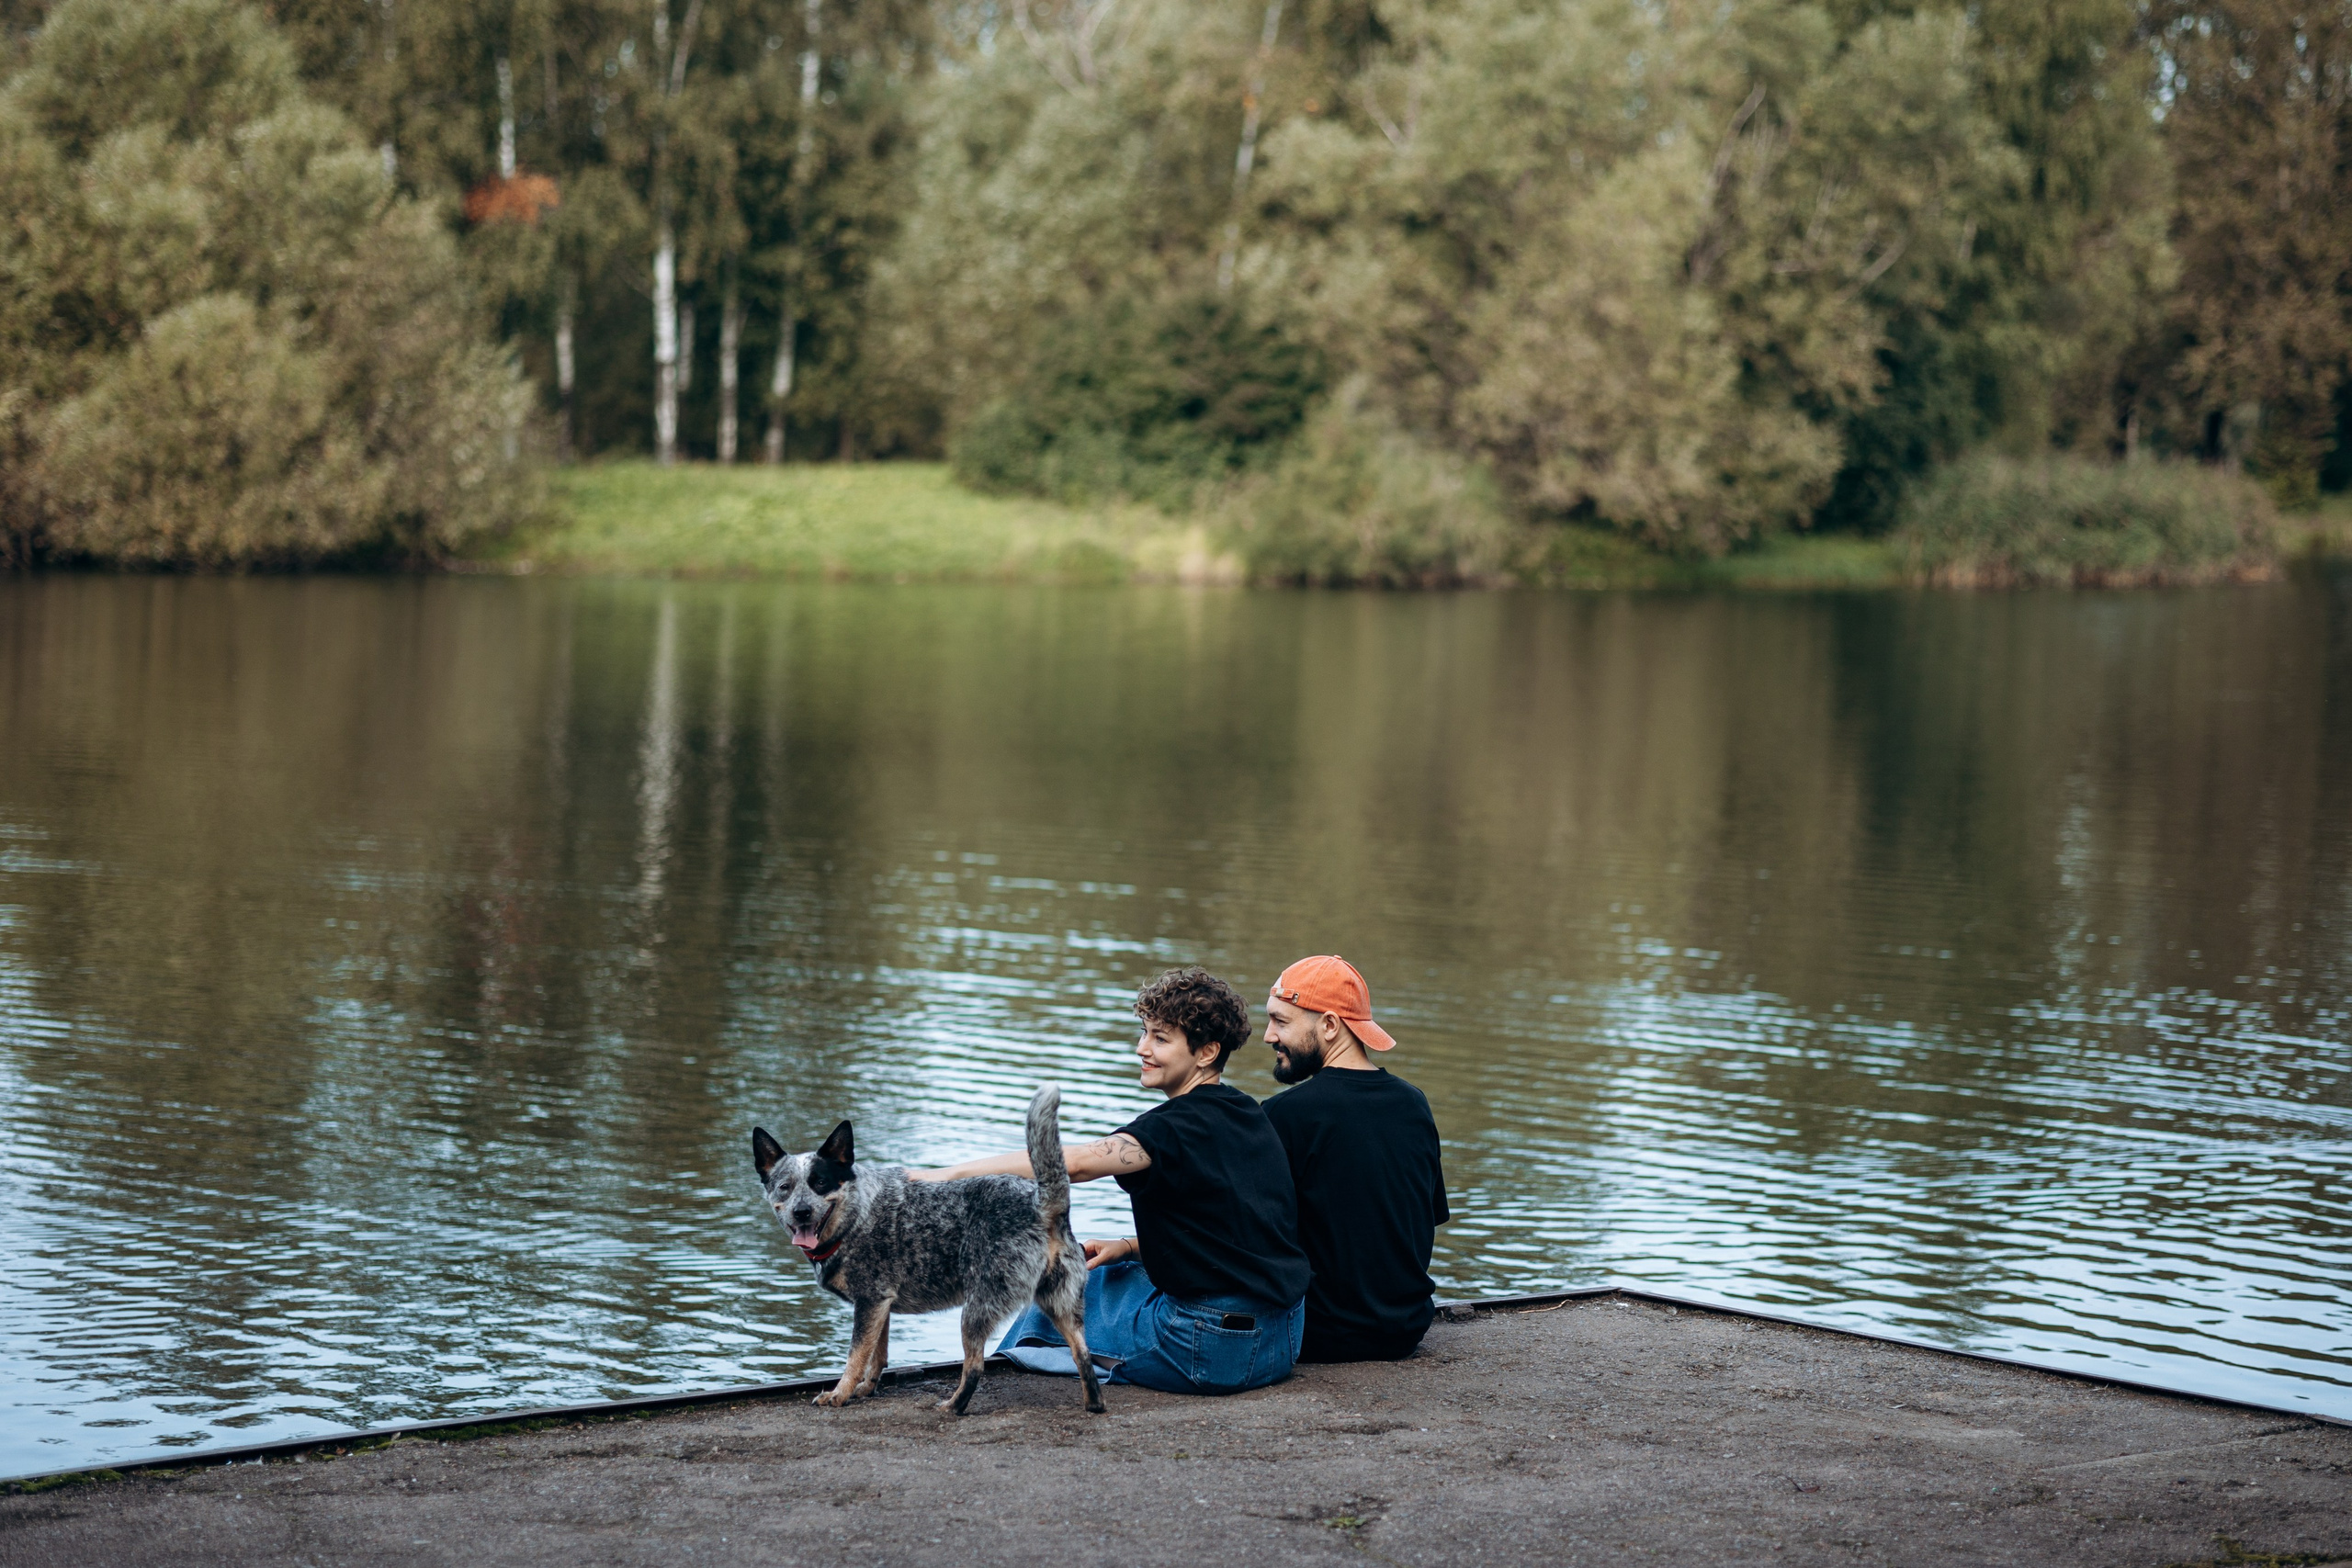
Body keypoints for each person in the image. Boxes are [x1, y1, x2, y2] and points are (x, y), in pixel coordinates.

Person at [912, 966, 1309, 1395]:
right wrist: (1130, 1247)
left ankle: (1001, 1372)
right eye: (1144, 1033)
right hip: (1282, 1339)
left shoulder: (1168, 1129)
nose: (1143, 1049)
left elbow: (1076, 1165)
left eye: (1161, 1038)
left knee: (1059, 1288)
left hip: (1212, 1351)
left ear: (1207, 1052)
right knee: (1108, 1271)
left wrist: (946, 1175)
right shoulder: (1249, 1113)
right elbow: (1239, 1230)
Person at [1260, 954, 1450, 1363]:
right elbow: (1420, 1223)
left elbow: (1248, 1237)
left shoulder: (1285, 1115)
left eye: (1281, 1021)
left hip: (1316, 1336)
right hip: (1405, 1330)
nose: (1268, 1036)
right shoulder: (1413, 1104)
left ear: (1329, 1025)